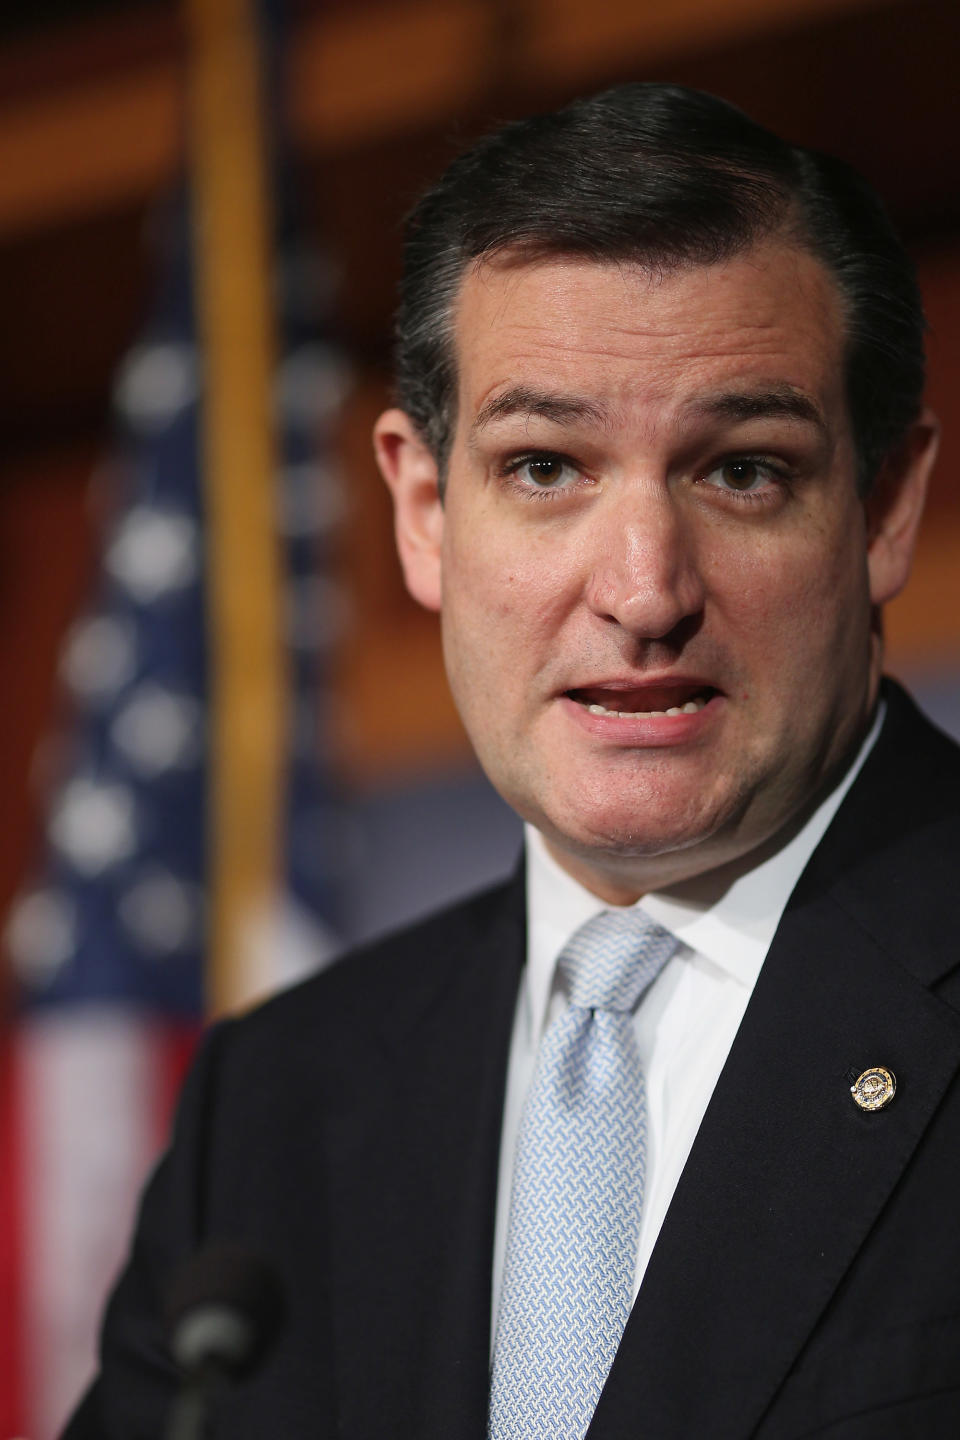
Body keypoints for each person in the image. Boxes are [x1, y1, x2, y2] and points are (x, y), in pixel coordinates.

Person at [64, 83, 960, 1439]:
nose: (645, 590)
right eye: (545, 468)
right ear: (425, 514)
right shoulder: (279, 1101)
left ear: (885, 508)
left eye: (744, 472)